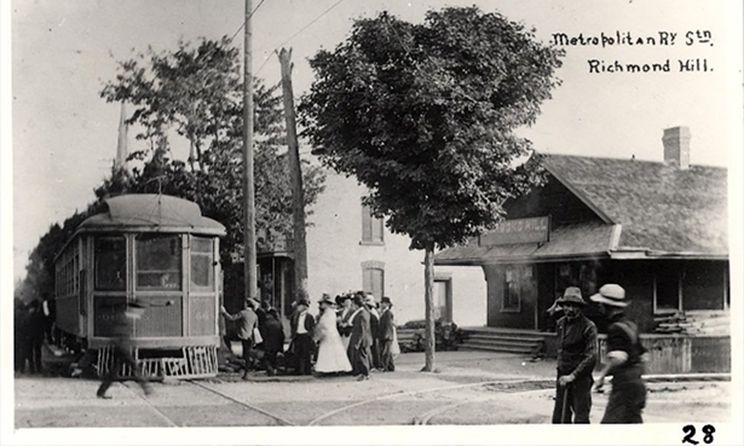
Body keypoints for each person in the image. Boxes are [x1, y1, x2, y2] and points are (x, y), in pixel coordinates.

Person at [591, 284, 648, 423]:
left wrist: (601, 377)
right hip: (637, 386)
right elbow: (644, 355)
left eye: (601, 304)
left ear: (607, 306)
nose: (599, 307)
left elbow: (619, 357)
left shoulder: (615, 328)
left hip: (624, 388)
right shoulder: (631, 325)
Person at [551, 287, 598, 424]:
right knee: (560, 419)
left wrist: (573, 376)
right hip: (562, 378)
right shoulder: (560, 324)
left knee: (581, 420)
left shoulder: (589, 327)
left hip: (580, 380)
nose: (570, 310)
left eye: (574, 306)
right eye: (567, 305)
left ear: (580, 308)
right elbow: (546, 316)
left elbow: (591, 357)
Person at [97, 301, 152, 399]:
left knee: (113, 372)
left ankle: (101, 392)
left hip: (121, 348)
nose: (141, 313)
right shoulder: (124, 318)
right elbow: (118, 333)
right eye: (140, 310)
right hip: (122, 349)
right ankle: (147, 389)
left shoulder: (127, 318)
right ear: (134, 309)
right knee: (134, 367)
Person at [314, 294, 352, 375]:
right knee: (329, 351)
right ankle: (329, 369)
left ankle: (334, 368)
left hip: (330, 333)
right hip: (328, 334)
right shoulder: (327, 312)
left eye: (322, 303)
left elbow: (327, 324)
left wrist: (321, 329)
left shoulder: (330, 313)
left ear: (327, 304)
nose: (321, 305)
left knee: (332, 351)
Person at [221, 299, 259, 380]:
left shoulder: (243, 313)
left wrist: (224, 312)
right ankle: (246, 372)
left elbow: (231, 318)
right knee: (247, 354)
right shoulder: (255, 315)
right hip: (249, 337)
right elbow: (255, 327)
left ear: (247, 305)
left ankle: (231, 350)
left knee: (226, 337)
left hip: (241, 335)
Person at [347, 294, 373, 381]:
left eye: (353, 304)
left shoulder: (361, 314)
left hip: (361, 339)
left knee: (362, 356)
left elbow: (361, 330)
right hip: (362, 338)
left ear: (356, 304)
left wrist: (357, 342)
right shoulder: (362, 312)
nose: (352, 306)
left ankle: (365, 373)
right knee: (361, 356)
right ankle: (364, 373)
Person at [290, 298, 316, 375]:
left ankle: (307, 370)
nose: (298, 307)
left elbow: (311, 327)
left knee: (306, 354)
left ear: (304, 306)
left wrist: (310, 335)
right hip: (298, 335)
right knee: (297, 353)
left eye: (300, 306)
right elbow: (293, 325)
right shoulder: (296, 316)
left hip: (305, 336)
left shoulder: (309, 316)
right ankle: (298, 370)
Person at [22, 299, 46, 374]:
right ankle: (38, 368)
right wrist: (42, 337)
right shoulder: (40, 316)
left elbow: (25, 326)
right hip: (38, 337)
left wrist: (25, 336)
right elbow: (42, 328)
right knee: (38, 353)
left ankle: (32, 369)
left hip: (29, 337)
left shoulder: (27, 316)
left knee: (30, 353)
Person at [261, 308, 285, 376]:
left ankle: (270, 370)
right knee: (274, 357)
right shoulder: (279, 323)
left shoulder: (266, 323)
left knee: (267, 357)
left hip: (268, 343)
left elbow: (263, 334)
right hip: (277, 343)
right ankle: (274, 369)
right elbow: (282, 334)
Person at [377, 296, 396, 372]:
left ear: (387, 304)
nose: (381, 304)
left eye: (383, 303)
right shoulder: (384, 313)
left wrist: (386, 335)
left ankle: (385, 367)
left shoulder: (388, 313)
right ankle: (391, 367)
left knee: (386, 352)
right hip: (386, 335)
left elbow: (388, 325)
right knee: (388, 352)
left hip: (387, 335)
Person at [364, 294, 382, 370]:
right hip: (373, 334)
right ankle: (376, 364)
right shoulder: (372, 314)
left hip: (373, 334)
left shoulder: (373, 314)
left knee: (374, 350)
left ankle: (376, 364)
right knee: (374, 350)